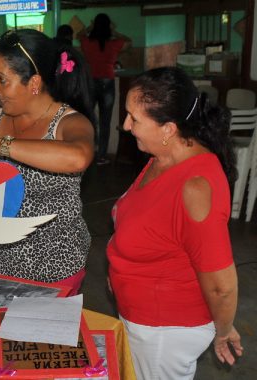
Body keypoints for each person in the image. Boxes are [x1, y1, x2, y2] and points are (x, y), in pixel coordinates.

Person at [107, 67, 243, 379]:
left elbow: (222, 285)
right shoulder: (162, 158)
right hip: (145, 318)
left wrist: (223, 330)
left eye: (134, 119)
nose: (126, 126)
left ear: (168, 128)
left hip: (164, 332)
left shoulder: (195, 185)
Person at [0, 29, 95, 294]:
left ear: (34, 82)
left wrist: (2, 146)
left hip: (54, 269)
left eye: (2, 80)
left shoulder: (69, 124)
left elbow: (78, 157)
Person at [78, 13, 131, 165]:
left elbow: (79, 34)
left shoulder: (86, 42)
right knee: (105, 121)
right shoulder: (115, 43)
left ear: (94, 26)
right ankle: (101, 156)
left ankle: (86, 153)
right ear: (109, 26)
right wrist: (113, 31)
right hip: (107, 82)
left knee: (88, 119)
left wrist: (91, 26)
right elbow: (129, 42)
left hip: (90, 82)